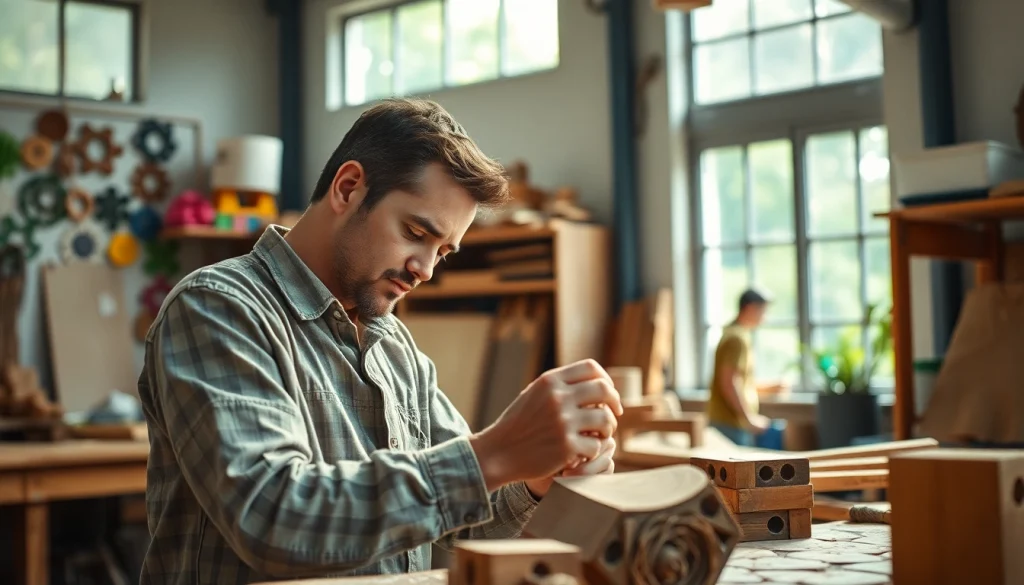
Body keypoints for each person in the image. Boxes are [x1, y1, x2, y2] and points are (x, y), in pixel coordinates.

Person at [136, 98, 622, 584]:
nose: (425, 269)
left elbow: (465, 520)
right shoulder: (218, 307)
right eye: (415, 232)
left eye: (443, 252)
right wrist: (494, 454)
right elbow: (271, 518)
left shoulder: (394, 347)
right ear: (348, 188)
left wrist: (535, 478)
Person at [706, 288, 787, 447]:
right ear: (750, 308)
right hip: (730, 423)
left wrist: (770, 388)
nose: (765, 317)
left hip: (730, 422)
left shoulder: (734, 333)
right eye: (763, 311)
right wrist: (749, 418)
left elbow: (740, 382)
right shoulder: (737, 339)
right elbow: (729, 382)